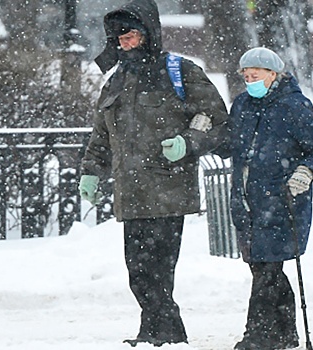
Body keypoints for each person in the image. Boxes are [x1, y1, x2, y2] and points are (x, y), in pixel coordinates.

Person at [78, 0, 229, 346]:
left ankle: (166, 335)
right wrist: (92, 172)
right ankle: (156, 333)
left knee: (159, 272)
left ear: (147, 33)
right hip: (131, 193)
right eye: (118, 38)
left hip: (168, 190)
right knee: (139, 273)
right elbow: (102, 134)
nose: (123, 43)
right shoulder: (117, 80)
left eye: (129, 35)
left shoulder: (180, 71)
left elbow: (217, 120)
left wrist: (188, 143)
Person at [215, 47, 313, 350]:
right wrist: (206, 136)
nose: (250, 78)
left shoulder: (294, 106)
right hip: (247, 203)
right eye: (246, 75)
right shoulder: (242, 104)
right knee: (265, 269)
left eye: (256, 74)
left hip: (281, 203)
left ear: (273, 75)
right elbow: (231, 145)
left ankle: (257, 336)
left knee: (267, 269)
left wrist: (306, 171)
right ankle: (285, 333)